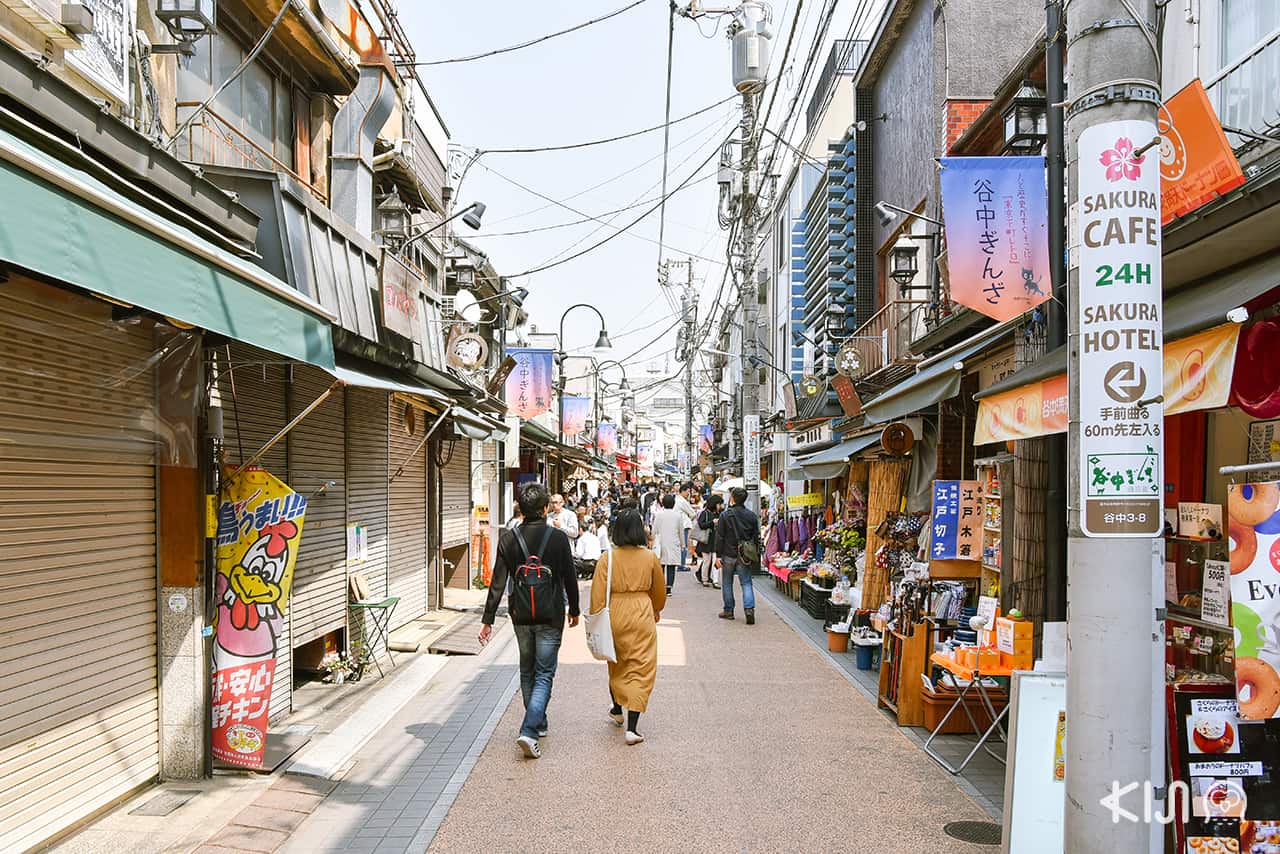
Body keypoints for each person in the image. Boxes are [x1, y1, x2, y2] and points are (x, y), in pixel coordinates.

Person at [479, 482, 580, 759]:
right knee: (545, 672)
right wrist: (575, 610)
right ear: (545, 508)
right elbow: (570, 577)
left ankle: (538, 721)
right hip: (551, 613)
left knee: (527, 670)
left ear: (521, 509)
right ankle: (530, 729)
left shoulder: (509, 539)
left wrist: (488, 619)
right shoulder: (558, 539)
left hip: (521, 614)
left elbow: (498, 582)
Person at [591, 508, 666, 745]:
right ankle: (632, 728)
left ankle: (616, 708)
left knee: (617, 662)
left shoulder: (608, 558)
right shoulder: (650, 557)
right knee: (641, 666)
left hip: (615, 612)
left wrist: (596, 617)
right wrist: (655, 608)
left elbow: (597, 594)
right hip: (641, 610)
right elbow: (659, 591)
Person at [714, 486, 761, 624]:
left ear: (733, 498)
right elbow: (756, 537)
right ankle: (749, 610)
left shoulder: (724, 515)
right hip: (744, 555)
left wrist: (718, 555)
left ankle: (729, 610)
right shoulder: (751, 516)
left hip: (728, 554)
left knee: (727, 582)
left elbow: (720, 537)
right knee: (746, 582)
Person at [651, 493, 684, 595]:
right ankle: (669, 588)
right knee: (671, 566)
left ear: (663, 503)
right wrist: (683, 544)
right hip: (674, 542)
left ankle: (660, 586)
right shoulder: (678, 515)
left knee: (661, 566)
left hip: (661, 542)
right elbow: (681, 531)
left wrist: (652, 540)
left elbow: (654, 529)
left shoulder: (659, 514)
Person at [693, 493, 724, 588]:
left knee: (714, 560)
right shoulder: (705, 513)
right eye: (719, 504)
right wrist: (712, 522)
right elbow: (701, 525)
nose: (720, 506)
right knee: (707, 561)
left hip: (715, 540)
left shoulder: (719, 514)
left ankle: (713, 579)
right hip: (706, 541)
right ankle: (704, 579)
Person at [674, 482, 697, 573]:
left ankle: (680, 564)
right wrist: (689, 515)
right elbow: (692, 513)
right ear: (682, 491)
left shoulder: (676, 499)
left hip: (677, 525)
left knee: (680, 545)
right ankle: (681, 565)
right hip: (683, 525)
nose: (688, 493)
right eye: (687, 491)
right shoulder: (682, 501)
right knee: (684, 546)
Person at [574, 508, 603, 578]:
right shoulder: (595, 537)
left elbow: (579, 554)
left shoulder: (581, 539)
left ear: (580, 529)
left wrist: (573, 554)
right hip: (597, 562)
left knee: (572, 562)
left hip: (587, 563)